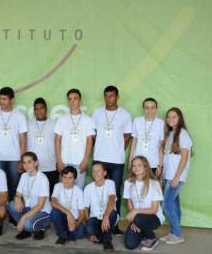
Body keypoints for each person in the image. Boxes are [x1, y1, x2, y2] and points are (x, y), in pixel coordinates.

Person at [92, 85, 132, 234]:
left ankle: (114, 224)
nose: (109, 99)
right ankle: (97, 220)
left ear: (117, 97)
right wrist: (102, 147)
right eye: (106, 96)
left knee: (114, 192)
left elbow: (127, 136)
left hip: (117, 160)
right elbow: (94, 134)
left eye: (112, 96)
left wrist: (117, 148)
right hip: (99, 159)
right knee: (98, 191)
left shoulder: (125, 115)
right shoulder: (97, 113)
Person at [0, 87, 27, 200]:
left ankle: (14, 216)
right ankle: (2, 216)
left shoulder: (19, 116)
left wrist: (22, 160)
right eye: (0, 99)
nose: (1, 102)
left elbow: (23, 139)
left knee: (15, 187)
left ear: (12, 100)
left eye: (4, 99)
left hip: (15, 158)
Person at [160, 107, 192, 245]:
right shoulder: (171, 133)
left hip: (176, 176)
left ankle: (178, 234)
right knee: (174, 204)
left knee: (166, 204)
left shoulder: (183, 134)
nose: (170, 119)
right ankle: (174, 232)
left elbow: (184, 157)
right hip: (169, 175)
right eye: (168, 117)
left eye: (174, 117)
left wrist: (177, 177)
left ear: (179, 119)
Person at [54, 89, 95, 189]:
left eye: (75, 98)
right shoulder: (62, 119)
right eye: (70, 99)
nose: (72, 101)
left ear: (80, 100)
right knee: (63, 191)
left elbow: (90, 141)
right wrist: (59, 161)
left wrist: (85, 161)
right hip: (64, 163)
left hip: (80, 163)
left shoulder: (88, 120)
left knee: (79, 192)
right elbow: (57, 140)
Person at [7, 152, 51, 240]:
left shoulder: (42, 178)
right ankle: (26, 229)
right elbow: (18, 194)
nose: (27, 165)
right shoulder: (24, 176)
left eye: (29, 162)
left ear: (36, 163)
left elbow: (40, 206)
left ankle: (40, 228)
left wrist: (23, 218)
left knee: (27, 224)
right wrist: (17, 198)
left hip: (42, 211)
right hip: (28, 209)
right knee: (11, 205)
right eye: (24, 162)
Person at [123, 156, 164, 251]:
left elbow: (154, 210)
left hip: (154, 218)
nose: (136, 168)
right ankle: (143, 231)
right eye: (133, 166)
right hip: (137, 218)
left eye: (139, 165)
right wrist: (134, 221)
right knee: (129, 245)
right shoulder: (128, 183)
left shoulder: (154, 184)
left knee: (138, 218)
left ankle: (152, 238)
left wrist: (135, 214)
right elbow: (129, 202)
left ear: (146, 167)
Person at [84, 161, 118, 251]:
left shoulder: (110, 183)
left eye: (98, 171)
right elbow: (86, 208)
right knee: (89, 229)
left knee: (113, 214)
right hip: (95, 218)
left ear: (105, 173)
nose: (95, 173)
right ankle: (102, 234)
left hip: (108, 216)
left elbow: (112, 199)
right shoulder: (88, 187)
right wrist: (88, 227)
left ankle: (107, 241)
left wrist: (106, 216)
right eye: (93, 171)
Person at [27, 97, 58, 194]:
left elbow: (59, 144)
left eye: (41, 108)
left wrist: (59, 161)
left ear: (46, 109)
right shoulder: (28, 124)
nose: (39, 111)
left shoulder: (54, 124)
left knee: (49, 194)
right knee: (32, 195)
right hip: (32, 167)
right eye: (36, 109)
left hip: (51, 166)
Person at [50, 166, 86, 245]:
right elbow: (53, 201)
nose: (67, 180)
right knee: (54, 213)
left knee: (81, 233)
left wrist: (76, 225)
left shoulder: (79, 191)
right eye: (64, 177)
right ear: (61, 177)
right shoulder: (57, 186)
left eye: (70, 178)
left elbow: (82, 213)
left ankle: (65, 231)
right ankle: (62, 236)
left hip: (74, 220)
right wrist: (68, 213)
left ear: (74, 179)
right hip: (62, 218)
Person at [129, 98, 164, 176]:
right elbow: (134, 143)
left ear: (156, 109)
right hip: (137, 164)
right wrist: (130, 162)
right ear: (143, 108)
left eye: (152, 107)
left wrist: (160, 165)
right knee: (137, 187)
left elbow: (161, 146)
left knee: (151, 187)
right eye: (147, 108)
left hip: (153, 163)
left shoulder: (161, 123)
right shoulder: (137, 121)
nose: (150, 110)